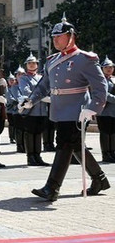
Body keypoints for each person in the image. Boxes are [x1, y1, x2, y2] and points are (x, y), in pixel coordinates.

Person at [25, 16, 109, 201]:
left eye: (59, 36)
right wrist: (32, 100)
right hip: (59, 109)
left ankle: (52, 188)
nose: (54, 40)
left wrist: (93, 108)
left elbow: (101, 86)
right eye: (53, 37)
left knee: (63, 143)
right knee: (75, 146)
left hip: (77, 111)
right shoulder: (52, 60)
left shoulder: (85, 59)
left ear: (71, 37)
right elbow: (44, 84)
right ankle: (100, 179)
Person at [17, 53, 50, 166]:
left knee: (38, 133)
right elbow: (26, 91)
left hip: (41, 111)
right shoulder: (24, 78)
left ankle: (37, 156)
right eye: (29, 63)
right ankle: (30, 156)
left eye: (33, 63)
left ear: (37, 64)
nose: (31, 65)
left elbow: (46, 89)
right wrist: (41, 97)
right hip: (31, 110)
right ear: (26, 65)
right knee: (30, 133)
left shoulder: (41, 78)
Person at [99, 56, 115, 163]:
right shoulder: (100, 80)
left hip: (113, 111)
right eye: (106, 67)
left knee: (113, 133)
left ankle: (112, 152)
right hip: (104, 111)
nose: (109, 69)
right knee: (105, 132)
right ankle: (106, 154)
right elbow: (103, 94)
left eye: (111, 67)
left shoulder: (113, 79)